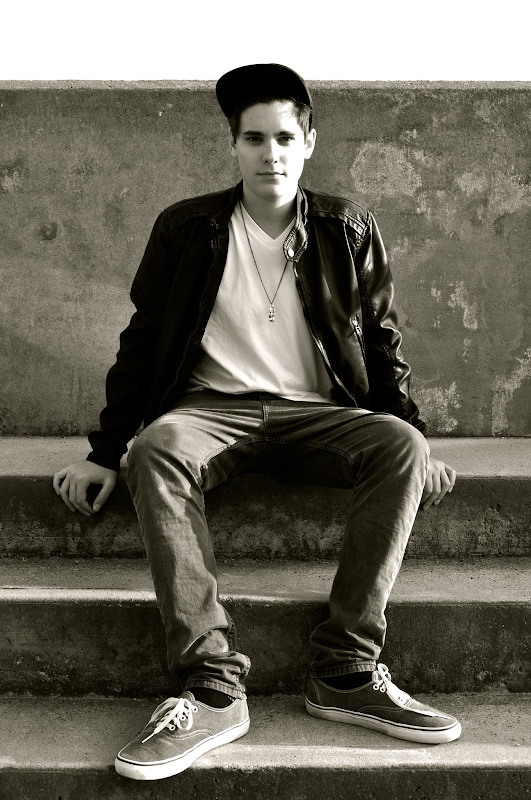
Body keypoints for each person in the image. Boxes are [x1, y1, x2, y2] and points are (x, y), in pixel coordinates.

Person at [53, 63, 460, 781]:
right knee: (157, 447)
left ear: (308, 142)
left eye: (283, 138)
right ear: (233, 146)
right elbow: (143, 341)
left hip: (322, 414)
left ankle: (345, 671)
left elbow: (380, 341)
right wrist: (105, 449)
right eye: (253, 139)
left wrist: (413, 436)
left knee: (400, 444)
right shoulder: (187, 228)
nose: (270, 153)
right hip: (211, 411)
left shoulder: (347, 228)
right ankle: (211, 685)